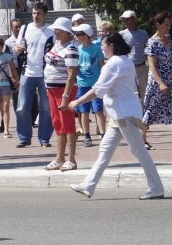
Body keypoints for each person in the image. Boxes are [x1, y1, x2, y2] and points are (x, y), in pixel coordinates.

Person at [69, 32, 165, 200]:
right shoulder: (125, 61)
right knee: (105, 150)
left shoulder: (113, 64)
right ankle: (88, 185)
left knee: (139, 151)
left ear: (111, 46)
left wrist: (77, 102)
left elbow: (98, 90)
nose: (101, 47)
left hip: (123, 113)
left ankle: (156, 187)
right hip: (121, 113)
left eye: (103, 44)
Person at [14, 1, 53, 148]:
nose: (36, 16)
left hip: (45, 73)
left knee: (45, 107)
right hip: (27, 71)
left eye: (39, 14)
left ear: (45, 15)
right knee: (22, 106)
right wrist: (18, 49)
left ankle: (44, 138)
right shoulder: (25, 28)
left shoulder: (51, 30)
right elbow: (17, 47)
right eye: (34, 13)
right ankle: (24, 137)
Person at [44, 17, 80, 171]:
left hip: (63, 90)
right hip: (51, 88)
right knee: (57, 123)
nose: (55, 31)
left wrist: (65, 97)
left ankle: (71, 159)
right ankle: (60, 157)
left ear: (66, 32)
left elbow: (72, 75)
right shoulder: (56, 45)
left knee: (68, 123)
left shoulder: (71, 49)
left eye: (58, 29)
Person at [140, 12, 172, 151]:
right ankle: (142, 140)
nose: (168, 27)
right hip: (158, 83)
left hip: (170, 80)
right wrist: (161, 83)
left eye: (169, 25)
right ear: (158, 25)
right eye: (166, 25)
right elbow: (152, 66)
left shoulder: (169, 39)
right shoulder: (152, 43)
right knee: (151, 110)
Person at [73, 23, 103, 147]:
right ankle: (87, 135)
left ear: (85, 36)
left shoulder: (96, 48)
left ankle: (103, 134)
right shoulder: (77, 49)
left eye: (78, 34)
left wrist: (102, 80)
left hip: (95, 84)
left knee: (98, 110)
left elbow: (102, 64)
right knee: (84, 111)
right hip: (82, 84)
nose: (76, 37)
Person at [0, 37, 17, 139]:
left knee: (5, 107)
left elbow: (13, 68)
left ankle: (6, 129)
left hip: (5, 84)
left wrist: (16, 80)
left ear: (2, 47)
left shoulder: (7, 56)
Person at [119, 10, 149, 98]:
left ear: (134, 19)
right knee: (131, 94)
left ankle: (145, 111)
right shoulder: (121, 34)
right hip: (128, 68)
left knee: (145, 93)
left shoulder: (143, 33)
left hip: (142, 68)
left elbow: (148, 50)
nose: (127, 22)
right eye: (125, 20)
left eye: (129, 19)